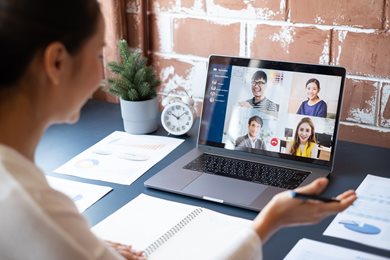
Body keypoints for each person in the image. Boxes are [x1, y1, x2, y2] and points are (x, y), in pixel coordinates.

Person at [0, 1, 356, 259]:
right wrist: (267, 224)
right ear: (57, 62)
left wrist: (84, 246)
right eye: (98, 56)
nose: (103, 74)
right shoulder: (34, 209)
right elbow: (42, 227)